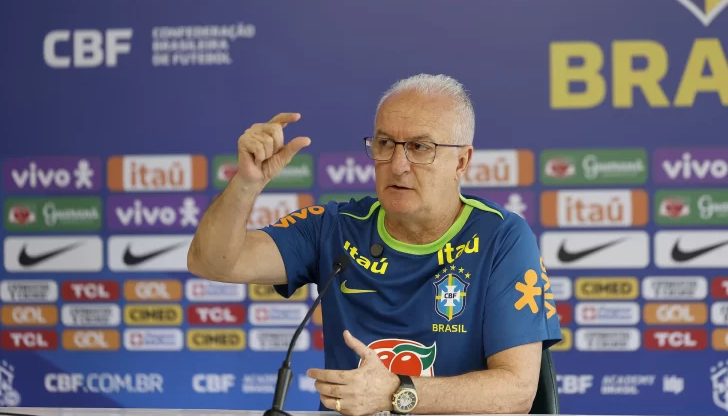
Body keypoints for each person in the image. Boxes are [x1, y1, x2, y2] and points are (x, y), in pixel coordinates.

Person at [188, 74, 562, 416]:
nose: (397, 164)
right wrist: (246, 184)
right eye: (385, 143)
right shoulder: (333, 227)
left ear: (461, 161)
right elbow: (213, 263)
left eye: (419, 147)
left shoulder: (502, 237)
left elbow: (516, 392)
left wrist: (397, 393)